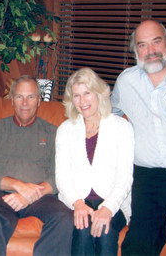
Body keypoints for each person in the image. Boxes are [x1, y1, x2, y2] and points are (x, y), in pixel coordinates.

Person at [111, 19, 166, 255]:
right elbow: (108, 115)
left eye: (156, 42)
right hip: (149, 175)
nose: (151, 51)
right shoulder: (126, 81)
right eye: (142, 45)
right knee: (139, 241)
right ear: (135, 51)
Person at [0, 76, 73, 256]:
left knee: (64, 217)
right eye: (19, 97)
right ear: (12, 100)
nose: (25, 103)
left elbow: (59, 174)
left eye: (31, 97)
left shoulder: (52, 132)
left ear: (39, 101)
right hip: (2, 195)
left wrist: (29, 195)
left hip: (41, 196)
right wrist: (18, 186)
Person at [56, 68, 134, 256]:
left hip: (113, 201)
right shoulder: (66, 129)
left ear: (99, 93)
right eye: (76, 96)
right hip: (76, 201)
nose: (82, 101)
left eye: (87, 93)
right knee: (82, 231)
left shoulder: (121, 127)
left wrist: (108, 208)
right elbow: (62, 176)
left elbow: (124, 178)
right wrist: (78, 204)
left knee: (105, 230)